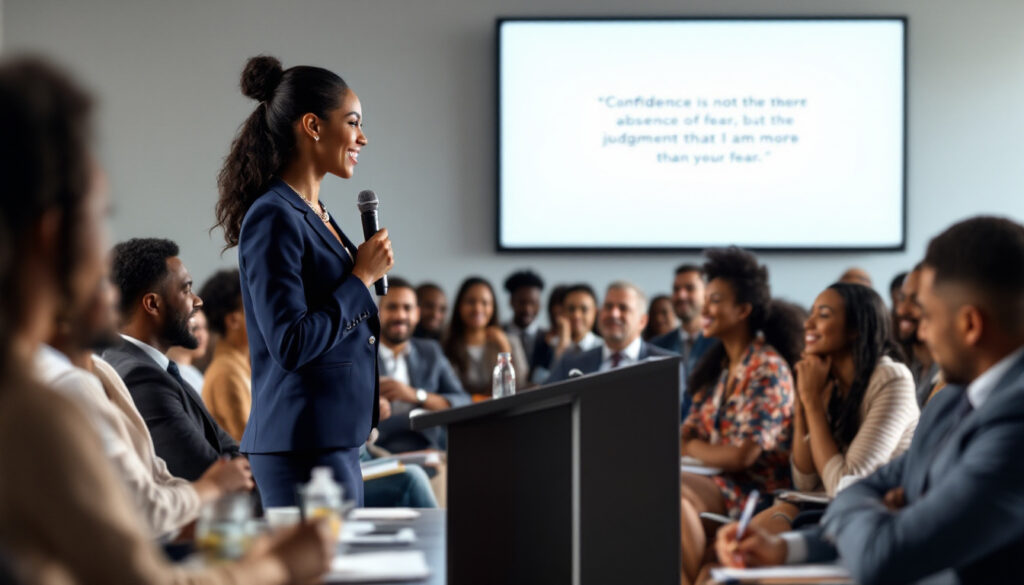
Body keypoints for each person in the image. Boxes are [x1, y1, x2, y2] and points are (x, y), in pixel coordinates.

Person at [0, 54, 331, 585]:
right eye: (100, 219)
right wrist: (278, 566)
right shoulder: (35, 412)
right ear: (54, 235)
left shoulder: (66, 383)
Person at [716, 216, 1024, 585]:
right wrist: (785, 549)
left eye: (926, 315)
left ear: (970, 325)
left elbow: (884, 551)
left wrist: (879, 513)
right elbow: (860, 493)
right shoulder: (951, 402)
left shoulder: (1015, 421)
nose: (920, 330)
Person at [215, 55, 393, 507]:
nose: (362, 137)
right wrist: (360, 278)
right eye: (352, 123)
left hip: (332, 439)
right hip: (301, 446)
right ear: (312, 126)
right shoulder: (274, 215)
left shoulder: (318, 213)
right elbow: (291, 342)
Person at [41, 271, 254, 538]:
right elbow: (146, 507)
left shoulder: (102, 369)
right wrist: (214, 487)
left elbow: (155, 471)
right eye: (101, 286)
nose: (115, 298)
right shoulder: (72, 384)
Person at [679, 247, 803, 585]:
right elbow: (683, 437)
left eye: (715, 300)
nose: (704, 308)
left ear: (743, 310)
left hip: (754, 492)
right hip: (718, 481)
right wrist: (693, 447)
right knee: (654, 486)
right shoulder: (716, 369)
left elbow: (742, 455)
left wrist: (694, 448)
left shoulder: (768, 368)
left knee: (674, 497)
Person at [753, 283, 918, 534]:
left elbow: (845, 486)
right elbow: (805, 481)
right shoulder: (831, 382)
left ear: (855, 329)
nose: (808, 325)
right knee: (718, 553)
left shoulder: (892, 379)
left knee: (730, 553)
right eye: (811, 314)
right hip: (824, 511)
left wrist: (812, 403)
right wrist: (804, 403)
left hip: (872, 519)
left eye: (824, 315)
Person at [104, 238, 241, 482]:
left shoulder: (155, 369)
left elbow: (229, 450)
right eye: (186, 289)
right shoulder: (142, 378)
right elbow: (208, 475)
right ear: (153, 304)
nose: (197, 301)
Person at [377, 277, 471, 452]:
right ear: (378, 312)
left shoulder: (431, 351)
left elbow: (463, 401)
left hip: (427, 448)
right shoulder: (362, 354)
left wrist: (416, 395)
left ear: (417, 314)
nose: (400, 315)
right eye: (392, 307)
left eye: (407, 308)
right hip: (378, 450)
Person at [546, 282, 676, 383]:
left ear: (642, 321)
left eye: (623, 308)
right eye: (608, 307)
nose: (613, 314)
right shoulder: (571, 364)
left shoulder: (667, 366)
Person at [442, 276, 529, 398]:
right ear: (459, 306)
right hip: (462, 413)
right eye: (471, 302)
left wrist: (505, 348)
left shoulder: (510, 341)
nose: (478, 308)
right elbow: (449, 389)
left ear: (493, 307)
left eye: (485, 303)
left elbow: (520, 384)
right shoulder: (447, 344)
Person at [652, 264, 717, 417]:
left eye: (690, 288)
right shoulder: (656, 346)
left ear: (707, 294)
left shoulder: (722, 344)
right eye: (676, 289)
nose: (681, 295)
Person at [199, 268, 251, 442]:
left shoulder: (238, 367)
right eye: (253, 307)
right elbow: (248, 441)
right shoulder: (227, 372)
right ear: (233, 321)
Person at [896, 264, 943, 407]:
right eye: (902, 298)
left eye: (916, 301)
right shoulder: (912, 368)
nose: (902, 310)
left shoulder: (951, 375)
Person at [502, 270, 545, 367]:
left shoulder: (548, 339)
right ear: (511, 302)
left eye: (533, 303)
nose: (527, 309)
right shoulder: (499, 334)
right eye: (522, 302)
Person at [166, 308, 209, 395]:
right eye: (194, 328)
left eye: (205, 327)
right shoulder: (177, 375)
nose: (202, 335)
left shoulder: (192, 373)